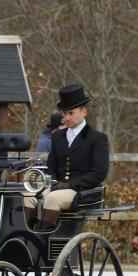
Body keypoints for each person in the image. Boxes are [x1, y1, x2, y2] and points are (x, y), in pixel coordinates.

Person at [24, 84, 110, 231]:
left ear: (84, 112)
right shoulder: (57, 136)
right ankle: (29, 236)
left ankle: (42, 239)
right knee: (28, 196)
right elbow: (51, 167)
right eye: (64, 114)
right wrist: (49, 183)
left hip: (84, 191)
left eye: (71, 113)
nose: (66, 118)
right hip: (57, 187)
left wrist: (70, 185)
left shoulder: (97, 138)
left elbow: (99, 173)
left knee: (52, 198)